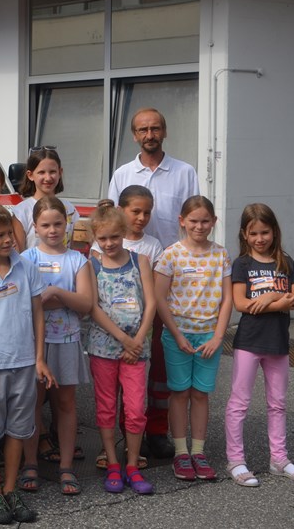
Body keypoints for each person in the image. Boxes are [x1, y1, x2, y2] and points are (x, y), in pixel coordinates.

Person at [108, 109, 199, 458]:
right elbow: (113, 223)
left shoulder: (184, 172)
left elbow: (192, 219)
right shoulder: (122, 174)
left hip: (169, 278)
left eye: (155, 127)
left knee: (160, 363)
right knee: (126, 362)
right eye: (143, 129)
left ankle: (157, 431)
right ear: (134, 135)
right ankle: (126, 429)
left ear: (164, 131)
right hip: (125, 286)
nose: (150, 133)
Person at [0, 201, 55, 526]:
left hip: (25, 362)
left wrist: (40, 358)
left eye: (9, 234)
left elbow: (38, 314)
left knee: (18, 430)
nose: (8, 240)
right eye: (0, 235)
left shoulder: (26, 267)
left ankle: (11, 487)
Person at [225, 203, 294, 487]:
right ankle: (236, 461)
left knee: (278, 403)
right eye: (254, 233)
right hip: (249, 343)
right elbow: (241, 304)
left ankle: (279, 459)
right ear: (244, 234)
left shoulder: (284, 262)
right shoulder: (242, 264)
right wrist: (279, 301)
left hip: (278, 344)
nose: (260, 238)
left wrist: (271, 294)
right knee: (239, 403)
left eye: (265, 232)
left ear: (274, 231)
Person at [153, 196, 233, 482]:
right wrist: (176, 334)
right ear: (182, 221)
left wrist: (219, 337)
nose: (199, 226)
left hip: (209, 336)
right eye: (194, 221)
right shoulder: (171, 255)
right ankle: (180, 453)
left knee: (200, 394)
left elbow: (226, 300)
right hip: (177, 335)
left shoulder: (220, 254)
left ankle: (199, 452)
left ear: (213, 222)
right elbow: (160, 299)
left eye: (205, 221)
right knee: (180, 392)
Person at [19, 196, 94, 497]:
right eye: (45, 225)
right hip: (33, 343)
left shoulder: (78, 260)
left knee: (65, 404)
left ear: (67, 224)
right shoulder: (26, 259)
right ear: (35, 227)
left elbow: (86, 303)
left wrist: (54, 293)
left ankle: (65, 466)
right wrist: (61, 299)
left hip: (66, 342)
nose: (52, 230)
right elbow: (25, 304)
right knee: (33, 404)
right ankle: (30, 463)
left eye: (58, 224)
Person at [86, 201, 157, 496]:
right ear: (95, 238)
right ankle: (112, 462)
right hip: (104, 349)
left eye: (114, 236)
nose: (109, 243)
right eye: (103, 238)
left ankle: (132, 464)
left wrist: (137, 339)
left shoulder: (139, 260)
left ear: (123, 232)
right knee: (105, 406)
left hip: (136, 350)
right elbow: (94, 308)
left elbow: (151, 302)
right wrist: (122, 339)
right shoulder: (92, 263)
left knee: (136, 408)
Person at [11, 147, 79, 252]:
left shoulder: (70, 209)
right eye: (41, 172)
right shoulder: (22, 211)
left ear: (60, 172)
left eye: (52, 172)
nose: (48, 178)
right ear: (30, 175)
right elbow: (18, 253)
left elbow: (72, 247)